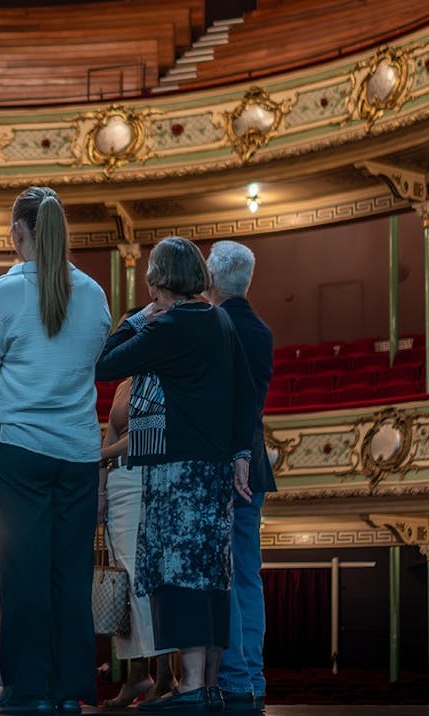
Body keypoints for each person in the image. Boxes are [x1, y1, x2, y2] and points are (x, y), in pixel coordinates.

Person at [93, 237, 255, 713]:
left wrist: (140, 317)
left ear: (157, 281)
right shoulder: (220, 320)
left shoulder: (170, 326)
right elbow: (245, 393)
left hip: (174, 474)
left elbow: (103, 364)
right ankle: (203, 686)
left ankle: (188, 689)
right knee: (209, 578)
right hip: (214, 474)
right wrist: (241, 451)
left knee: (176, 578)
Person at [0, 186, 112, 714]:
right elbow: (91, 364)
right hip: (77, 450)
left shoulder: (3, 293)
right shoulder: (94, 294)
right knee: (71, 575)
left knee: (22, 574)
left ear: (17, 233)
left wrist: (6, 412)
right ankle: (71, 690)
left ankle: (26, 689)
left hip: (20, 446)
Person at [204, 241, 275, 713]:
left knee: (224, 576)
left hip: (225, 465)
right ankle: (251, 675)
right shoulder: (261, 329)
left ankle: (233, 677)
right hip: (254, 461)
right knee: (247, 574)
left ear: (210, 278)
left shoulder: (215, 325)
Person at [98, 381, 177, 708]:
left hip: (149, 480)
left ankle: (164, 677)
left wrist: (99, 454)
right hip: (118, 484)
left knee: (147, 581)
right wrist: (100, 492)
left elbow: (149, 433)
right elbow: (112, 432)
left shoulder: (163, 374)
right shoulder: (123, 384)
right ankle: (136, 673)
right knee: (124, 586)